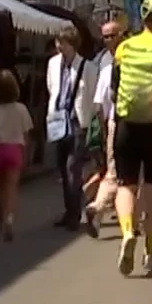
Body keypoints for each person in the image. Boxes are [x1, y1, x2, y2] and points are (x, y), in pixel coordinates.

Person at [111, 0, 152, 277]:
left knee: (125, 185)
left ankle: (127, 231)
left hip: (126, 124)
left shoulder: (124, 48)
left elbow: (115, 87)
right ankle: (150, 251)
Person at [44, 27, 94, 231]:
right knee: (62, 169)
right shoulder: (53, 64)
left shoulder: (88, 67)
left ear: (73, 44)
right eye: (57, 42)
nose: (59, 46)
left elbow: (90, 95)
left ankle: (75, 214)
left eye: (62, 42)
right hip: (58, 120)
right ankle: (69, 210)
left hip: (77, 121)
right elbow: (51, 87)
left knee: (73, 168)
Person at [80, 13, 125, 236]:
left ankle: (97, 212)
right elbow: (98, 106)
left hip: (115, 123)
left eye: (111, 36)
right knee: (128, 177)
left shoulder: (107, 66)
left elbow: (99, 105)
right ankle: (128, 225)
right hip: (125, 124)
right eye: (105, 37)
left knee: (113, 173)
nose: (108, 40)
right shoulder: (105, 65)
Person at [0, 69, 33, 242]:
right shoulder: (21, 109)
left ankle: (1, 219)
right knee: (11, 187)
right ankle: (9, 219)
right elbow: (27, 135)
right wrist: (27, 154)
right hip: (15, 149)